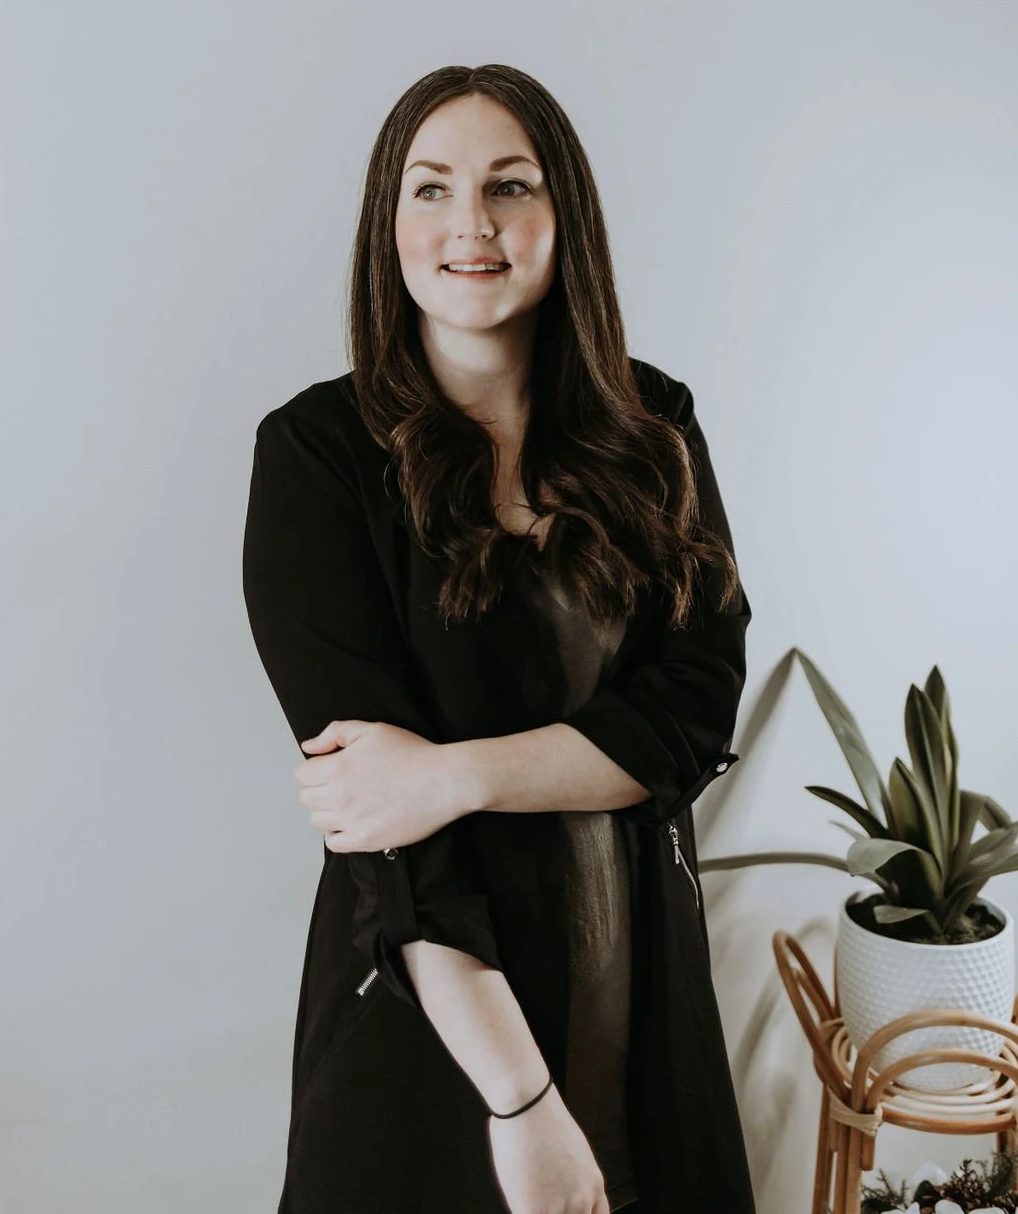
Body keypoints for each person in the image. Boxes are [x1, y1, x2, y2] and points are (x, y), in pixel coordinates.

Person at [241, 63, 756, 1214]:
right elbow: (386, 836)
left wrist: (450, 775)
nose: (468, 224)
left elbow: (694, 708)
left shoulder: (652, 422)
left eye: (507, 186)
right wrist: (520, 1108)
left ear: (560, 214)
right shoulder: (316, 457)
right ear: (388, 225)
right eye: (429, 190)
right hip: (438, 1022)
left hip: (646, 991)